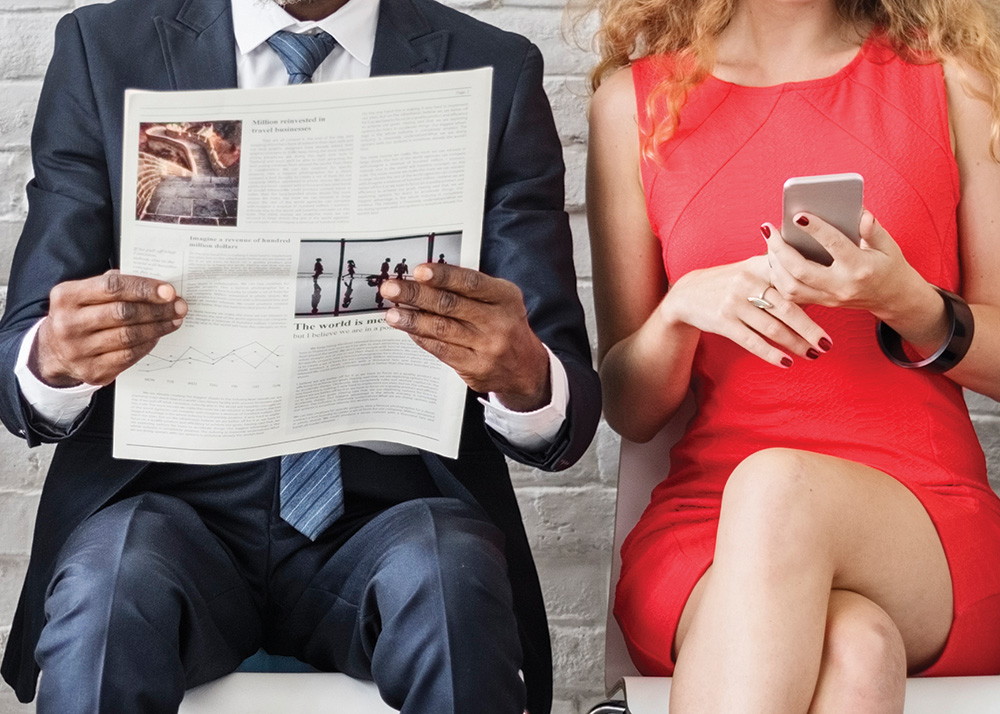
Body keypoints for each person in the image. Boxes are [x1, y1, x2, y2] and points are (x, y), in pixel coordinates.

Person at [0, 0, 601, 712]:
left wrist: (522, 375)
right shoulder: (104, 50)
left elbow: (565, 400)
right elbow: (22, 365)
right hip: (166, 505)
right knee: (107, 588)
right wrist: (56, 359)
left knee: (450, 582)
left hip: (393, 509)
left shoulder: (493, 68)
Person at [587, 0, 1000, 711]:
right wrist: (679, 311)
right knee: (857, 648)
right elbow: (630, 408)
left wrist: (908, 302)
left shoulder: (956, 81)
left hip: (928, 527)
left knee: (779, 488)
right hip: (707, 532)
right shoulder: (632, 105)